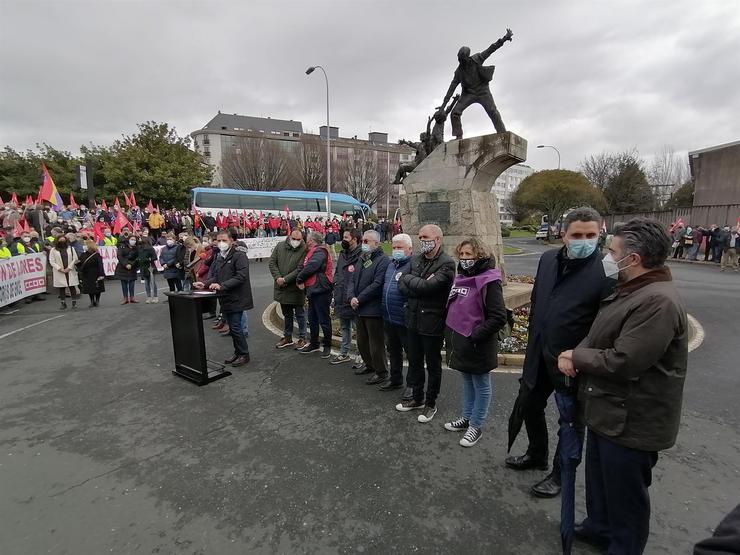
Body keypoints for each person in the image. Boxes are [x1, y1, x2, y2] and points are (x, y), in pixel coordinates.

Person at [558, 217, 688, 555]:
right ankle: (599, 528)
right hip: (609, 412)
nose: (606, 255)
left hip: (632, 420)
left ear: (634, 259)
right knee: (602, 483)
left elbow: (625, 361)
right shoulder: (633, 290)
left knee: (626, 496)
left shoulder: (658, 301)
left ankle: (623, 546)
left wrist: (578, 357)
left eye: (612, 250)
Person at [505, 207, 615, 498]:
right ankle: (536, 453)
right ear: (563, 234)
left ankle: (561, 475)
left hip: (572, 362)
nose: (584, 240)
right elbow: (539, 299)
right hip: (539, 352)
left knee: (569, 421)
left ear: (600, 233)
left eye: (591, 235)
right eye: (577, 234)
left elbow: (607, 323)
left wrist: (580, 355)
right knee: (528, 404)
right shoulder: (548, 259)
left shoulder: (608, 269)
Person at [443, 238, 507, 447]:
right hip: (462, 341)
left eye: (469, 255)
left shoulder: (490, 281)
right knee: (467, 381)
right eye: (461, 255)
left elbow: (498, 317)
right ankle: (467, 417)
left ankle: (476, 425)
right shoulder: (461, 279)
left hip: (478, 343)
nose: (464, 259)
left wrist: (475, 335)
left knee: (481, 385)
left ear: (479, 256)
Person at [395, 224, 455, 423]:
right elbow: (403, 286)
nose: (422, 240)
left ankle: (430, 403)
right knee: (414, 361)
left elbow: (430, 287)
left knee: (433, 364)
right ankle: (417, 398)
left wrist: (409, 279)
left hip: (432, 322)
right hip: (413, 319)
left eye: (426, 237)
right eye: (420, 237)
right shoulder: (416, 259)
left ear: (437, 239)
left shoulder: (447, 263)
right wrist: (415, 283)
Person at [194, 228, 253, 367]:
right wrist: (204, 284)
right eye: (219, 240)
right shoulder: (220, 256)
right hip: (226, 297)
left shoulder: (239, 256)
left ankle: (244, 354)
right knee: (233, 327)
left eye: (224, 240)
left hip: (237, 297)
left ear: (231, 241)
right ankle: (238, 352)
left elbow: (241, 277)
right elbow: (217, 276)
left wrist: (222, 286)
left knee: (236, 327)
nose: (221, 243)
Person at [348, 230, 390, 385]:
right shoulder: (362, 258)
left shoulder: (383, 261)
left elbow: (377, 284)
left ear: (376, 243)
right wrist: (351, 296)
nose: (363, 244)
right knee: (362, 341)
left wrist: (359, 298)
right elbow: (352, 280)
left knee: (376, 344)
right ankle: (369, 364)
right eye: (363, 241)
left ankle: (381, 372)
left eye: (367, 241)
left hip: (372, 308)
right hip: (359, 308)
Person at [379, 233, 413, 396]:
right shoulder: (391, 264)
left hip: (404, 318)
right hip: (389, 316)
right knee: (393, 351)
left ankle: (413, 385)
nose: (396, 250)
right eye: (394, 247)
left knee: (412, 355)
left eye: (400, 247)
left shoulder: (413, 265)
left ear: (409, 249)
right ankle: (395, 379)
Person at [295, 232, 334, 357]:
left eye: (308, 240)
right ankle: (314, 343)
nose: (306, 241)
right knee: (312, 319)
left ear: (312, 241)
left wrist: (299, 278)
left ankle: (327, 345)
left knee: (324, 319)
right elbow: (303, 266)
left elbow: (312, 266)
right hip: (313, 289)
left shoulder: (320, 252)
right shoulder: (312, 252)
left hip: (321, 289)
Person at [269, 229, 308, 350]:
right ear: (289, 237)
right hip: (281, 287)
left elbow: (300, 268)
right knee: (287, 314)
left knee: (300, 314)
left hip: (295, 287)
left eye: (298, 239)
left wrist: (285, 279)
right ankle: (287, 337)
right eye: (294, 239)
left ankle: (302, 337)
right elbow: (272, 263)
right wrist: (278, 277)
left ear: (302, 239)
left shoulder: (304, 249)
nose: (295, 241)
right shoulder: (280, 246)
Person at [330, 228, 362, 365]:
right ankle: (344, 353)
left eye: (346, 238)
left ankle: (361, 354)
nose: (343, 240)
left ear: (354, 239)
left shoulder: (362, 255)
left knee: (358, 329)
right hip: (341, 295)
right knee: (344, 327)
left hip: (354, 297)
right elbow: (337, 270)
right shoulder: (343, 254)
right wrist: (335, 282)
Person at [48, 234, 80, 309]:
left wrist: (69, 268)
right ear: (57, 241)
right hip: (59, 271)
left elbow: (75, 258)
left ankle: (74, 303)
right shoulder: (53, 250)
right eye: (60, 240)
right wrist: (60, 269)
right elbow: (52, 261)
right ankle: (63, 303)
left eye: (63, 240)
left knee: (72, 286)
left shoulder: (71, 248)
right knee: (61, 287)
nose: (62, 241)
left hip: (70, 270)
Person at [77, 240, 105, 307]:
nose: (84, 246)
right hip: (86, 273)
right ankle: (92, 301)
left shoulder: (96, 255)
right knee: (89, 288)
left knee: (97, 288)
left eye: (85, 245)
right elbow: (81, 264)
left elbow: (100, 265)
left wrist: (101, 274)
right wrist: (77, 264)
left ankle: (97, 300)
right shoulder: (83, 254)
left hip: (96, 272)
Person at [114, 233, 139, 304]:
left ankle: (132, 297)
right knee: (124, 282)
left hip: (132, 267)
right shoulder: (122, 246)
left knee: (132, 282)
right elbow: (119, 256)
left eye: (134, 240)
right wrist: (126, 264)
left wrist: (131, 264)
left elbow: (137, 257)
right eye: (132, 239)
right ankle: (125, 298)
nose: (133, 241)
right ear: (128, 240)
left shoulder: (136, 248)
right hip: (122, 267)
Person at [138, 236, 159, 303]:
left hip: (150, 266)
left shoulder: (150, 248)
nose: (139, 240)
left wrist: (148, 259)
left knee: (152, 282)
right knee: (146, 283)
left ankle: (155, 296)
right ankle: (148, 296)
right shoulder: (139, 248)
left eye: (141, 239)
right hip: (143, 267)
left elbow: (155, 257)